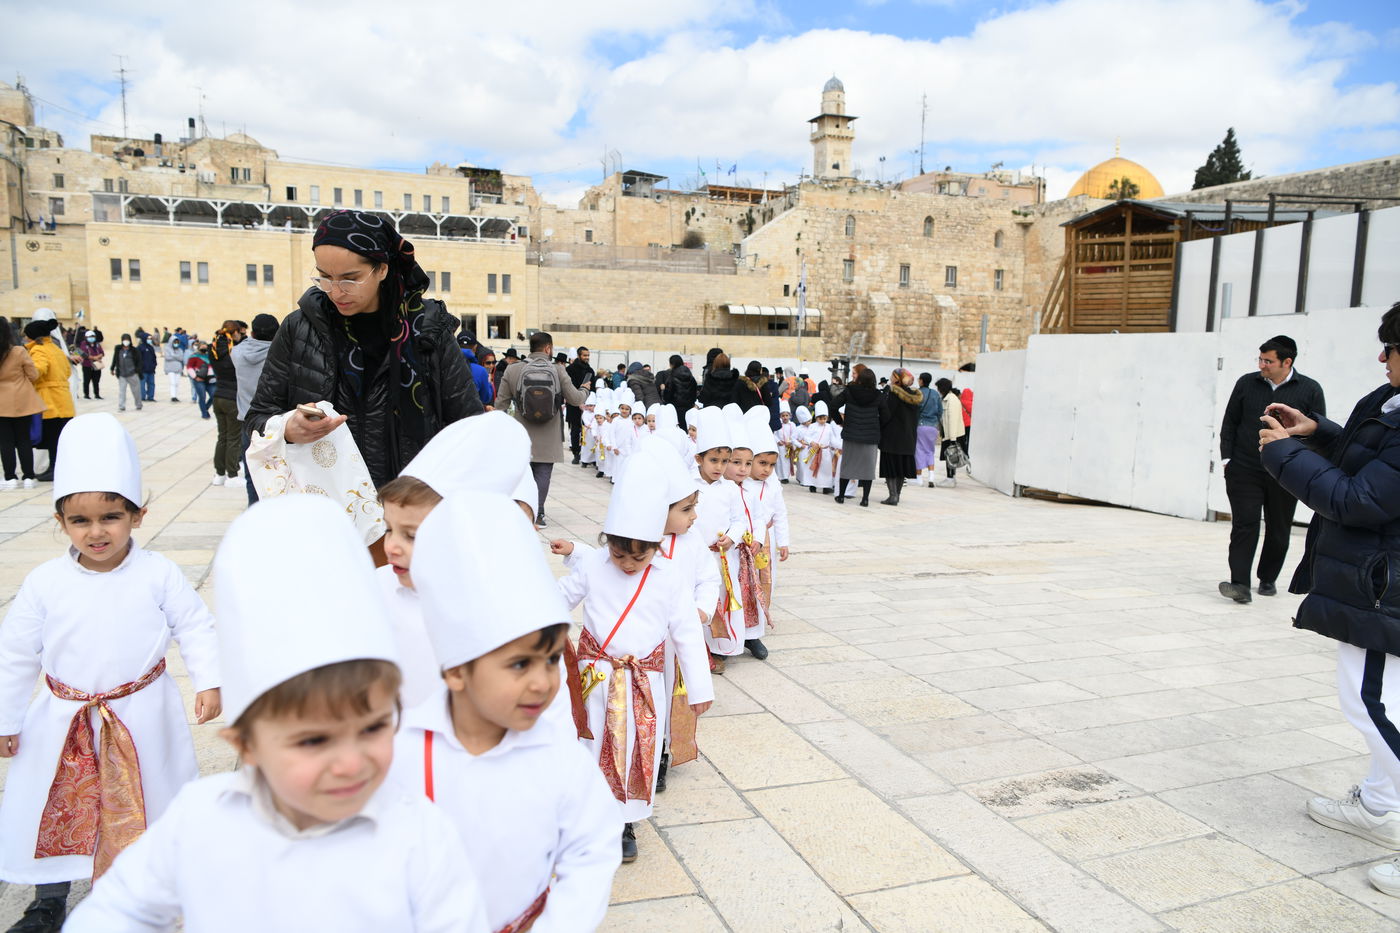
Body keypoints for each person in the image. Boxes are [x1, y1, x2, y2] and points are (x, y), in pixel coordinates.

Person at [66, 494, 489, 932]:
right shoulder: (201, 821)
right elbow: (116, 911)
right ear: (245, 745)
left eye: (373, 728)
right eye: (313, 740)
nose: (351, 761)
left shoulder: (419, 834)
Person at [0, 414, 221, 931]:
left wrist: (209, 680)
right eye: (80, 521)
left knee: (150, 800)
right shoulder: (44, 582)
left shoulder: (158, 573)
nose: (96, 532)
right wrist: (6, 718)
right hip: (63, 717)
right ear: (60, 522)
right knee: (52, 807)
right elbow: (15, 652)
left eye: (111, 517)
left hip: (143, 715)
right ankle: (47, 899)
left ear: (137, 515)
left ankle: (146, 889)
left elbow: (196, 624)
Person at [394, 492, 621, 930]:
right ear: (457, 670)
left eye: (552, 659)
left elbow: (593, 846)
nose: (543, 682)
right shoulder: (398, 754)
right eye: (519, 664)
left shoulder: (558, 756)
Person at [1256, 303, 1400, 898]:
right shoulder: (1388, 402)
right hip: (1380, 580)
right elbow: (1379, 467)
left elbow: (1361, 499)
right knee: (1380, 699)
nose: (1381, 358)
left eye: (1389, 348)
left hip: (1385, 589)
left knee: (1373, 703)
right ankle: (1379, 803)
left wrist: (1283, 454)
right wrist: (1320, 432)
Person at [244, 209, 483, 491]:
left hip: (409, 509)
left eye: (349, 278)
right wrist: (287, 429)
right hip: (327, 509)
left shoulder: (428, 331)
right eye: (324, 277)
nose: (335, 291)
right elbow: (256, 418)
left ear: (382, 269)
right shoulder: (299, 328)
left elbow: (470, 428)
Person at [551, 452, 714, 863]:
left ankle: (625, 822)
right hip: (595, 680)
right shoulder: (594, 565)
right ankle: (587, 818)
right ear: (608, 542)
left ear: (656, 547)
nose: (627, 564)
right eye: (620, 554)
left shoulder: (669, 577)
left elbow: (687, 632)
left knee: (632, 749)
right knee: (590, 744)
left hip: (643, 682)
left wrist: (699, 687)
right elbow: (559, 598)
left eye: (639, 556)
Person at [1217, 335, 1326, 604]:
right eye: (1260, 359)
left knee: (1278, 528)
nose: (1262, 365)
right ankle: (1239, 583)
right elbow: (1230, 420)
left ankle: (1268, 578)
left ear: (1287, 362)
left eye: (1268, 361)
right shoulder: (1246, 382)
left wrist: (1304, 468)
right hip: (1244, 468)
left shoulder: (1310, 389)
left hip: (1286, 472)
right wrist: (1227, 459)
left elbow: (1318, 433)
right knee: (1245, 524)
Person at [496, 331, 587, 527]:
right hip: (549, 430)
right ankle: (537, 513)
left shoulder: (513, 370)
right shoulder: (558, 370)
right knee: (543, 472)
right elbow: (575, 399)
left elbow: (500, 404)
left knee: (522, 472)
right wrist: (586, 389)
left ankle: (520, 509)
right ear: (548, 349)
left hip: (521, 431)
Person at [231, 314, 279, 506]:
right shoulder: (280, 353)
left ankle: (254, 511)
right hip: (274, 420)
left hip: (247, 421)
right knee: (278, 473)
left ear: (252, 332)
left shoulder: (237, 353)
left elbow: (240, 344)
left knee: (252, 474)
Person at [23, 320, 74, 483]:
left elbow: (37, 371)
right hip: (63, 399)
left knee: (52, 437)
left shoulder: (38, 350)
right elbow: (67, 372)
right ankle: (56, 468)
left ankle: (54, 468)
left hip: (49, 400)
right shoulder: (56, 348)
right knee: (59, 437)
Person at [0, 321, 43, 489]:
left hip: (1, 403)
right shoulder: (18, 351)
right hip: (21, 401)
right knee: (24, 439)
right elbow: (33, 375)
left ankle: (10, 477)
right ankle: (28, 477)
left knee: (5, 442)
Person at [837, 366, 880, 506]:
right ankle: (865, 499)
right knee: (868, 468)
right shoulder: (878, 395)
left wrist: (840, 422)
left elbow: (833, 405)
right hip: (870, 436)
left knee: (847, 465)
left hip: (851, 434)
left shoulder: (849, 391)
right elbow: (886, 415)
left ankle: (841, 496)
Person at [879, 368, 921, 506]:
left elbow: (887, 413)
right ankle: (897, 494)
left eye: (892, 375)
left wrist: (880, 426)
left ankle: (893, 496)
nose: (890, 377)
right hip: (908, 436)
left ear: (897, 378)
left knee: (891, 466)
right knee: (901, 467)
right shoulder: (914, 396)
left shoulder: (892, 393)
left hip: (892, 436)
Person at [209, 322, 244, 487]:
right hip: (232, 397)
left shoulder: (214, 349)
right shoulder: (234, 351)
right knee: (233, 438)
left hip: (218, 395)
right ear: (235, 332)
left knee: (222, 437)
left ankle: (219, 474)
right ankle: (232, 474)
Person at [565, 346, 594, 462]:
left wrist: (590, 403)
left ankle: (588, 454)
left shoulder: (590, 370)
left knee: (588, 428)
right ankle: (576, 453)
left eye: (588, 355)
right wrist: (577, 401)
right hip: (573, 403)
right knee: (575, 429)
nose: (586, 357)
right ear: (579, 356)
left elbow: (593, 388)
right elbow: (568, 386)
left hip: (588, 404)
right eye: (584, 355)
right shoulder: (570, 369)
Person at [915, 372, 943, 487]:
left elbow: (915, 409)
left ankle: (919, 478)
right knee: (930, 451)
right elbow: (940, 411)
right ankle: (931, 476)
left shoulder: (918, 393)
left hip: (921, 425)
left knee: (919, 451)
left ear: (921, 380)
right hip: (933, 427)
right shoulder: (935, 394)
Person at [936, 377, 965, 487]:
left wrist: (952, 439)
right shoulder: (947, 398)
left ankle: (950, 478)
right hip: (949, 434)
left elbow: (953, 420)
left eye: (938, 387)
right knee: (950, 456)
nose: (938, 390)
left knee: (951, 456)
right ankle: (951, 477)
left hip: (952, 435)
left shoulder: (951, 400)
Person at [109, 333, 143, 413]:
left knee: (136, 391)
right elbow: (115, 358)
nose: (126, 342)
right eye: (124, 340)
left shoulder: (134, 350)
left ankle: (138, 404)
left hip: (132, 374)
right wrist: (112, 368)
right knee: (122, 391)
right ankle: (121, 406)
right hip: (122, 374)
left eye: (127, 340)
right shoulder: (118, 349)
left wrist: (137, 370)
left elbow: (139, 361)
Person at [459, 336, 495, 409]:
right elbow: (486, 398)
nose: (491, 365)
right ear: (475, 348)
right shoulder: (480, 371)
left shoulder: (444, 365)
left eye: (494, 362)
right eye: (488, 363)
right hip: (471, 415)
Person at [662, 354, 698, 426]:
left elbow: (668, 392)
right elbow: (694, 389)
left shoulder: (672, 376)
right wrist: (692, 401)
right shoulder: (690, 375)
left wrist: (666, 400)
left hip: (676, 407)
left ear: (672, 364)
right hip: (689, 406)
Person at [185, 342, 214, 420]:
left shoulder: (210, 356)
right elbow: (189, 367)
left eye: (205, 346)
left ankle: (205, 408)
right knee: (202, 396)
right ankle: (204, 413)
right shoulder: (194, 356)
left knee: (214, 395)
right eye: (202, 346)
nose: (204, 348)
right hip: (199, 379)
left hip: (210, 380)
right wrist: (195, 377)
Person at [77, 330, 103, 400]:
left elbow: (102, 352)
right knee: (87, 380)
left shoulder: (97, 344)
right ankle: (86, 394)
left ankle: (97, 394)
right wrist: (94, 357)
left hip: (96, 365)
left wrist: (98, 357)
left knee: (96, 380)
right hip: (87, 365)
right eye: (89, 337)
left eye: (93, 336)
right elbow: (83, 354)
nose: (91, 338)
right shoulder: (83, 344)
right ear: (86, 337)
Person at [162, 333, 186, 402]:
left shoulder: (180, 350)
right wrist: (176, 356)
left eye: (177, 342)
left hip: (178, 369)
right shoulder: (167, 349)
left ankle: (176, 395)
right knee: (172, 383)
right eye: (174, 342)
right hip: (170, 369)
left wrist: (173, 355)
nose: (176, 343)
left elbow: (181, 358)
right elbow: (167, 357)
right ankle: (173, 396)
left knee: (176, 383)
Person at [958, 362, 975, 456]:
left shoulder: (960, 402)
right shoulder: (972, 403)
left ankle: (963, 452)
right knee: (969, 440)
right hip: (970, 424)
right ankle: (968, 452)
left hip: (962, 424)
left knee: (962, 439)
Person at [137, 333, 158, 402]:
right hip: (143, 370)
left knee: (151, 384)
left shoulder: (151, 347)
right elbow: (138, 359)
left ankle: (150, 396)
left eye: (150, 339)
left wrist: (154, 365)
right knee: (142, 384)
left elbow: (154, 358)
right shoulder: (140, 348)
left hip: (151, 370)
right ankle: (142, 397)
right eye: (148, 338)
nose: (150, 340)